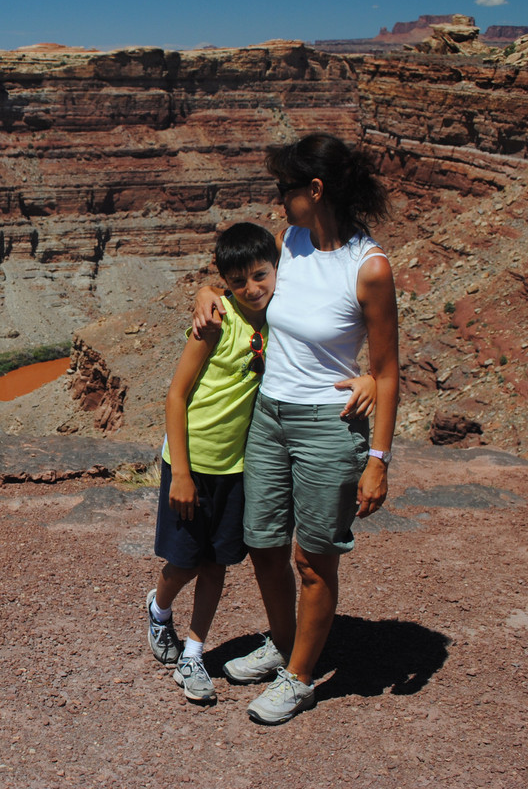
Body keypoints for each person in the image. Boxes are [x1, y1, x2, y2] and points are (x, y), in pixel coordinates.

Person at [192, 133, 399, 724]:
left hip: (326, 426)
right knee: (261, 543)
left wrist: (378, 458)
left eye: (285, 189)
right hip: (270, 415)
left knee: (313, 560)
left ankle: (300, 676)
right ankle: (284, 642)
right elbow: (250, 292)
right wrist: (206, 291)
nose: (278, 200)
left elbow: (387, 370)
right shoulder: (292, 242)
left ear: (314, 189)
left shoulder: (370, 267)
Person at [146, 222, 374, 704]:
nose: (252, 289)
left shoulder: (280, 313)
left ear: (278, 271)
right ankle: (159, 608)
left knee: (217, 563)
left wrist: (369, 376)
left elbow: (328, 343)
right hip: (193, 466)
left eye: (260, 277)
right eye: (238, 282)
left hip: (236, 468)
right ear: (226, 284)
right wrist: (181, 472)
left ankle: (193, 651)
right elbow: (176, 394)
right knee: (185, 561)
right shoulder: (217, 321)